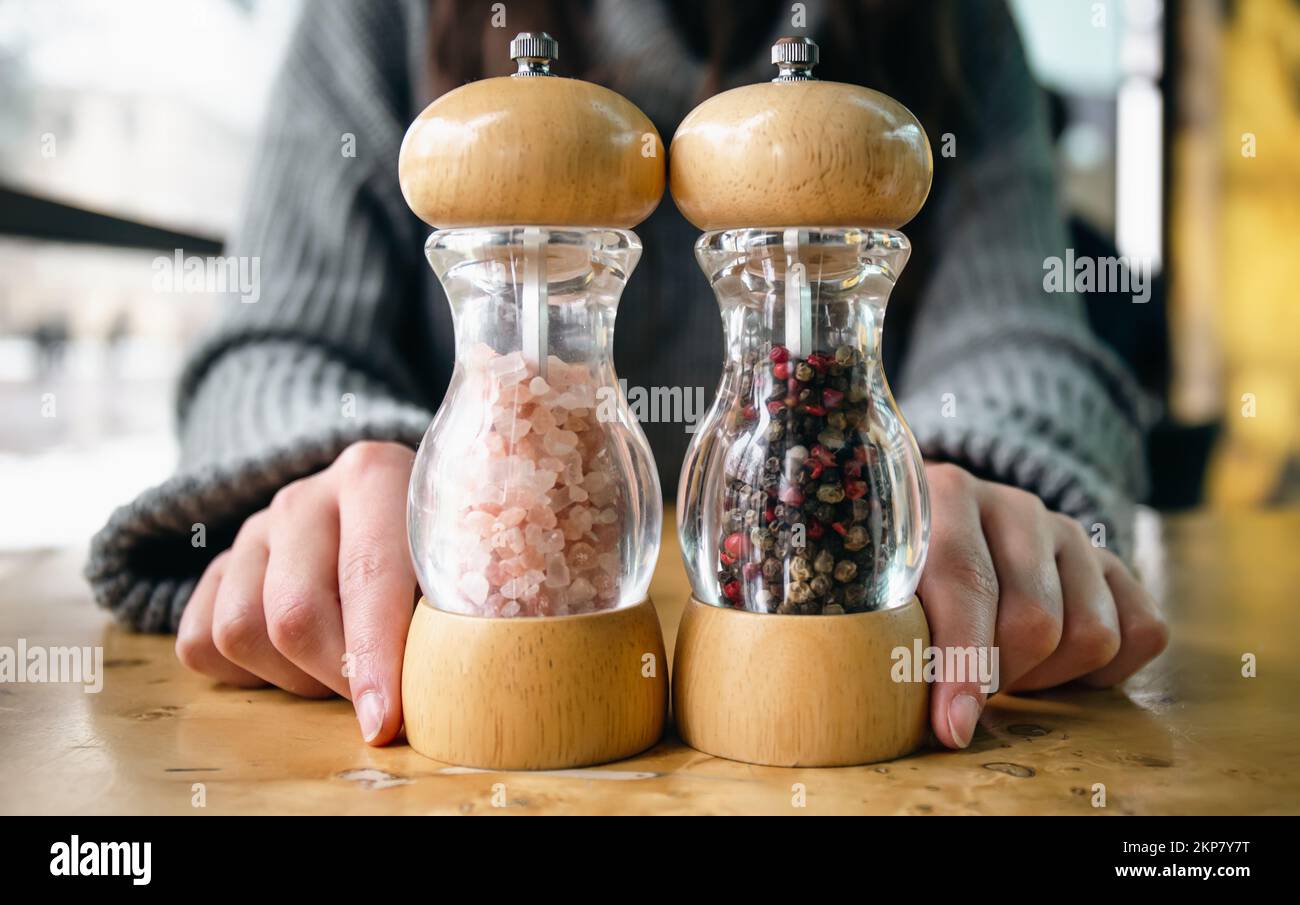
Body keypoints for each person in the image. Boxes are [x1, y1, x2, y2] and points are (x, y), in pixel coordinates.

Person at [86, 0, 1167, 751]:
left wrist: (959, 489)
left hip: (856, 583)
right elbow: (274, 338)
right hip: (464, 585)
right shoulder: (382, 16)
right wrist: (332, 467)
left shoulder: (945, 22)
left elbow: (1022, 336)